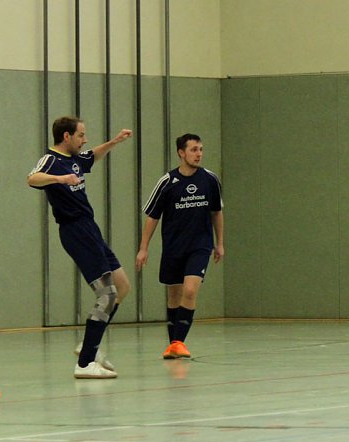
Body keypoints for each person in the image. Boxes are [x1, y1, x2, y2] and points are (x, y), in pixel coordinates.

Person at [27, 116, 133, 378]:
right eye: (81, 135)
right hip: (75, 231)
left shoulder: (75, 158)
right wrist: (61, 179)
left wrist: (114, 142)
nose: (85, 140)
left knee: (121, 286)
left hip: (90, 228)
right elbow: (32, 178)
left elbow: (92, 156)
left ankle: (88, 345)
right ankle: (85, 363)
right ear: (66, 136)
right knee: (106, 294)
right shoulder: (51, 159)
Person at [136, 133, 224, 359]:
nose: (199, 154)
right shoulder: (167, 182)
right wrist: (144, 248)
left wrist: (219, 243)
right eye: (194, 150)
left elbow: (216, 212)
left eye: (201, 149)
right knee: (174, 297)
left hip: (200, 246)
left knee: (190, 290)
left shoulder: (210, 180)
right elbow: (152, 217)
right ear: (181, 153)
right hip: (174, 247)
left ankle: (178, 342)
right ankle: (173, 345)